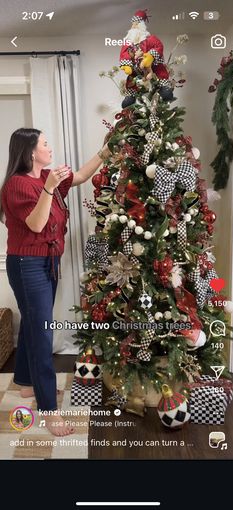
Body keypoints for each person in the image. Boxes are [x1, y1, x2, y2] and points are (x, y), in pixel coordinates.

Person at [0, 128, 110, 436]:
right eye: (45, 144)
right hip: (27, 265)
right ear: (31, 152)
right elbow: (35, 225)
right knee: (42, 335)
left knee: (36, 328)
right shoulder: (17, 185)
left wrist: (105, 152)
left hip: (46, 264)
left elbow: (80, 177)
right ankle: (49, 412)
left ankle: (25, 383)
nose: (50, 148)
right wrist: (49, 188)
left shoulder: (45, 177)